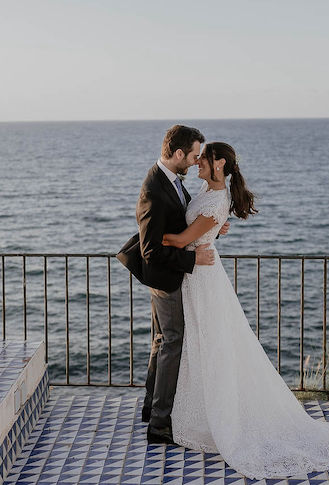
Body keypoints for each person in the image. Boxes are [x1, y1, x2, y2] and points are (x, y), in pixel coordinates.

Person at [161, 142, 329, 479]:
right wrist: (214, 230)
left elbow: (180, 239)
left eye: (203, 158)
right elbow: (202, 224)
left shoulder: (217, 198)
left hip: (202, 276)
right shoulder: (208, 189)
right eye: (197, 157)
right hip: (198, 273)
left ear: (219, 164)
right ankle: (201, 416)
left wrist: (151, 238)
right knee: (202, 346)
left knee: (214, 345)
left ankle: (225, 421)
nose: (198, 162)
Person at [116, 125, 228, 445]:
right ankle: (161, 425)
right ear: (178, 154)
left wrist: (214, 228)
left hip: (167, 274)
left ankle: (151, 408)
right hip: (165, 278)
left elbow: (184, 222)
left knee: (161, 340)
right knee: (172, 343)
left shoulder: (171, 180)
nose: (196, 161)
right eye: (193, 155)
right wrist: (193, 262)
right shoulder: (154, 188)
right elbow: (150, 250)